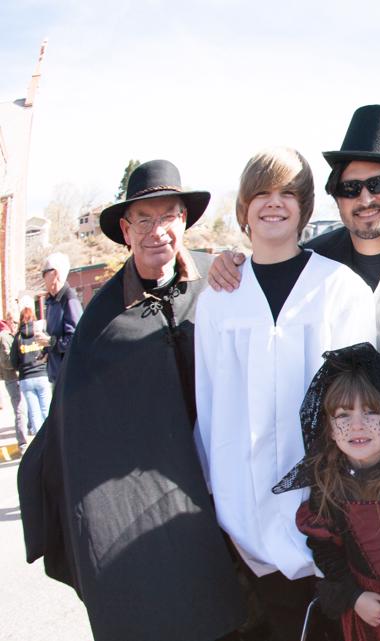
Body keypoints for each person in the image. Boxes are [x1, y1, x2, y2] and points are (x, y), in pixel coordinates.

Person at [17, 159, 246, 640]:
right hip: (163, 496)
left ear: (185, 220)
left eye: (168, 216)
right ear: (125, 229)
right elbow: (76, 423)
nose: (157, 230)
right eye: (144, 219)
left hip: (236, 485)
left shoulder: (222, 281)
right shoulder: (102, 320)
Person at [195, 147, 376, 641]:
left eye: (287, 193)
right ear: (244, 206)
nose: (274, 204)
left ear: (304, 205)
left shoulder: (339, 289)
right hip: (245, 498)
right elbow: (208, 399)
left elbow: (368, 398)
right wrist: (216, 484)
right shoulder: (218, 299)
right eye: (262, 193)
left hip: (328, 500)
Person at [274, 343, 380, 641]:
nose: (357, 425)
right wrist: (354, 597)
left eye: (371, 412)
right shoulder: (328, 483)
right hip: (363, 614)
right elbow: (325, 548)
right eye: (343, 415)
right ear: (328, 428)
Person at [209, 105, 380, 291]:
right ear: (336, 196)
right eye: (350, 188)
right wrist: (231, 264)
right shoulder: (313, 257)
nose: (365, 199)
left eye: (379, 183)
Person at [10, 300, 50, 437]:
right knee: (47, 410)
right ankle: (52, 440)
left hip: (26, 378)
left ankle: (41, 447)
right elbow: (49, 347)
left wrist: (21, 367)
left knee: (34, 414)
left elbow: (13, 361)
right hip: (42, 374)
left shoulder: (18, 337)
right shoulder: (39, 333)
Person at [41, 252, 82, 384]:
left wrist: (50, 342)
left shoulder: (69, 299)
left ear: (55, 273)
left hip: (70, 375)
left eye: (44, 273)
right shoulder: (51, 301)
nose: (43, 278)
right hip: (56, 374)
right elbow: (53, 337)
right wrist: (45, 351)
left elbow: (75, 339)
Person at [0, 316, 28, 450]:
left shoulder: (9, 335)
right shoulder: (5, 336)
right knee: (20, 409)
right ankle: (23, 442)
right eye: (15, 322)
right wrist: (18, 364)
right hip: (12, 377)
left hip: (13, 376)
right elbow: (5, 360)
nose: (16, 324)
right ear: (9, 321)